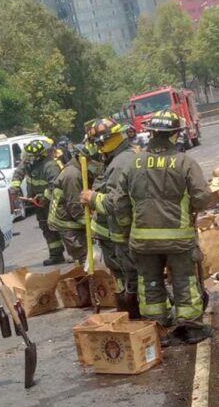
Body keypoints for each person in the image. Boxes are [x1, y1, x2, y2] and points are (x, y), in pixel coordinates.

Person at [122, 110, 212, 344]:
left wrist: (126, 233)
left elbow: (119, 203)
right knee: (184, 281)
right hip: (178, 239)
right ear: (174, 135)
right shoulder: (184, 162)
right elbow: (202, 197)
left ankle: (158, 330)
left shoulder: (133, 164)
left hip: (142, 240)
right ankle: (192, 328)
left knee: (150, 283)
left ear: (151, 134)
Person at [79, 117, 140, 318]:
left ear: (104, 141)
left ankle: (141, 317)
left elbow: (115, 203)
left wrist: (92, 198)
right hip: (130, 231)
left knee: (136, 279)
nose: (98, 149)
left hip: (125, 233)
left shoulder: (119, 163)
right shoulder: (125, 156)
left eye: (98, 144)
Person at [10, 139, 65, 266]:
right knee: (46, 228)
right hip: (38, 203)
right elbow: (18, 174)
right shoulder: (28, 162)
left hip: (53, 203)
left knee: (62, 227)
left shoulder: (49, 165)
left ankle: (79, 254)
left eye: (29, 156)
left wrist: (44, 197)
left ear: (38, 156)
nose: (26, 159)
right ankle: (56, 255)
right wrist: (15, 188)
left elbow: (55, 186)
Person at [46, 144, 95, 265]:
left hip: (70, 218)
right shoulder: (72, 175)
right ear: (81, 158)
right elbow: (75, 206)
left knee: (86, 254)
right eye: (89, 160)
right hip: (66, 222)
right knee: (82, 254)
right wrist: (91, 225)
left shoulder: (76, 169)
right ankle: (86, 279)